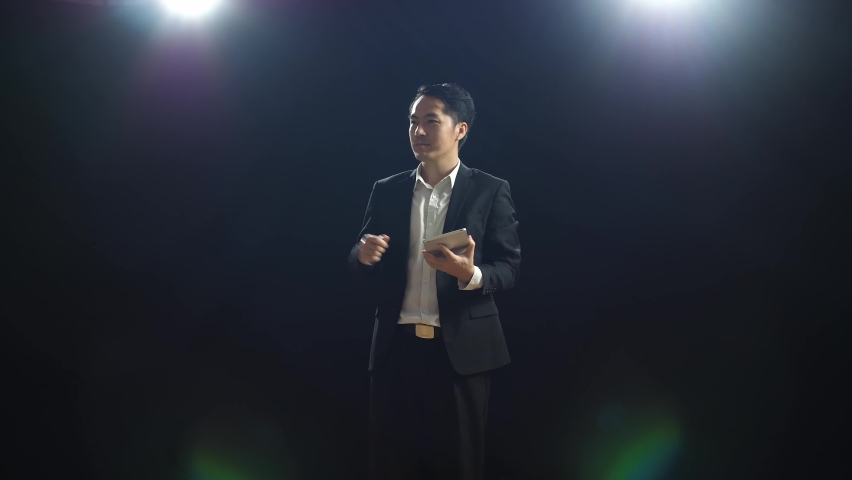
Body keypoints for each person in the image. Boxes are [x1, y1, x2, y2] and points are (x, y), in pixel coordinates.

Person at [348, 83, 521, 480]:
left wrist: (471, 275)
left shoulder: (490, 190)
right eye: (412, 123)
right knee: (389, 463)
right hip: (397, 350)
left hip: (460, 354)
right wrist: (362, 254)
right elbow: (359, 259)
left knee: (458, 465)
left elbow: (509, 268)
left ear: (460, 129)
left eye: (430, 121)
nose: (418, 131)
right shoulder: (388, 190)